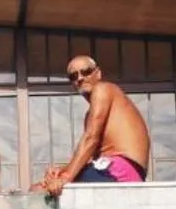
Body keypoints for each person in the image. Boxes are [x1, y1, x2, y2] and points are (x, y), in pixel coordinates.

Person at [41, 55, 151, 196]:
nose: (80, 78)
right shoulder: (90, 115)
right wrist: (63, 170)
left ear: (98, 73)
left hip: (120, 170)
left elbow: (91, 138)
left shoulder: (103, 89)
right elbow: (90, 159)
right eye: (74, 76)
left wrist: (65, 177)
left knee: (45, 191)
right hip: (114, 171)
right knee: (45, 186)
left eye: (86, 72)